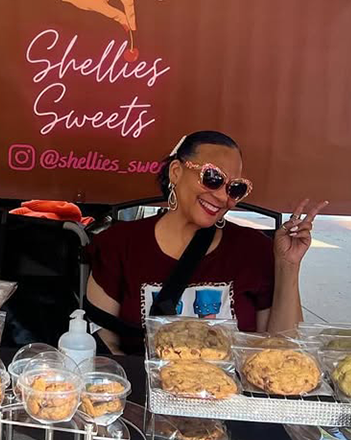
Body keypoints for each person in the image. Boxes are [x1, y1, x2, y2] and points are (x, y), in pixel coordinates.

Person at [86, 130, 327, 354]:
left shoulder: (254, 249)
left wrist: (288, 265)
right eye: (212, 178)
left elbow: (284, 351)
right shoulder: (117, 245)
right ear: (176, 172)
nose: (222, 196)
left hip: (231, 385)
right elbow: (104, 344)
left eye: (235, 188)